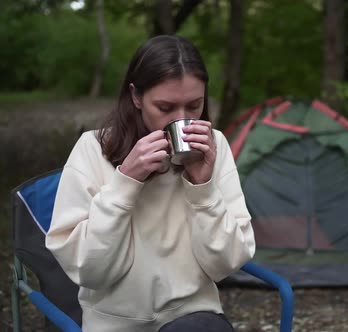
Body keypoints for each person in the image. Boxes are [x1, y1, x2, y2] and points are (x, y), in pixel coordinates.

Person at [45, 35, 256, 332]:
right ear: (136, 97)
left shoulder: (214, 146)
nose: (182, 120)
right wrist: (125, 181)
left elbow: (226, 264)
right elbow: (90, 271)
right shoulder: (92, 149)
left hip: (194, 319)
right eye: (165, 108)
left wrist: (203, 187)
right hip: (116, 325)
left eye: (195, 106)